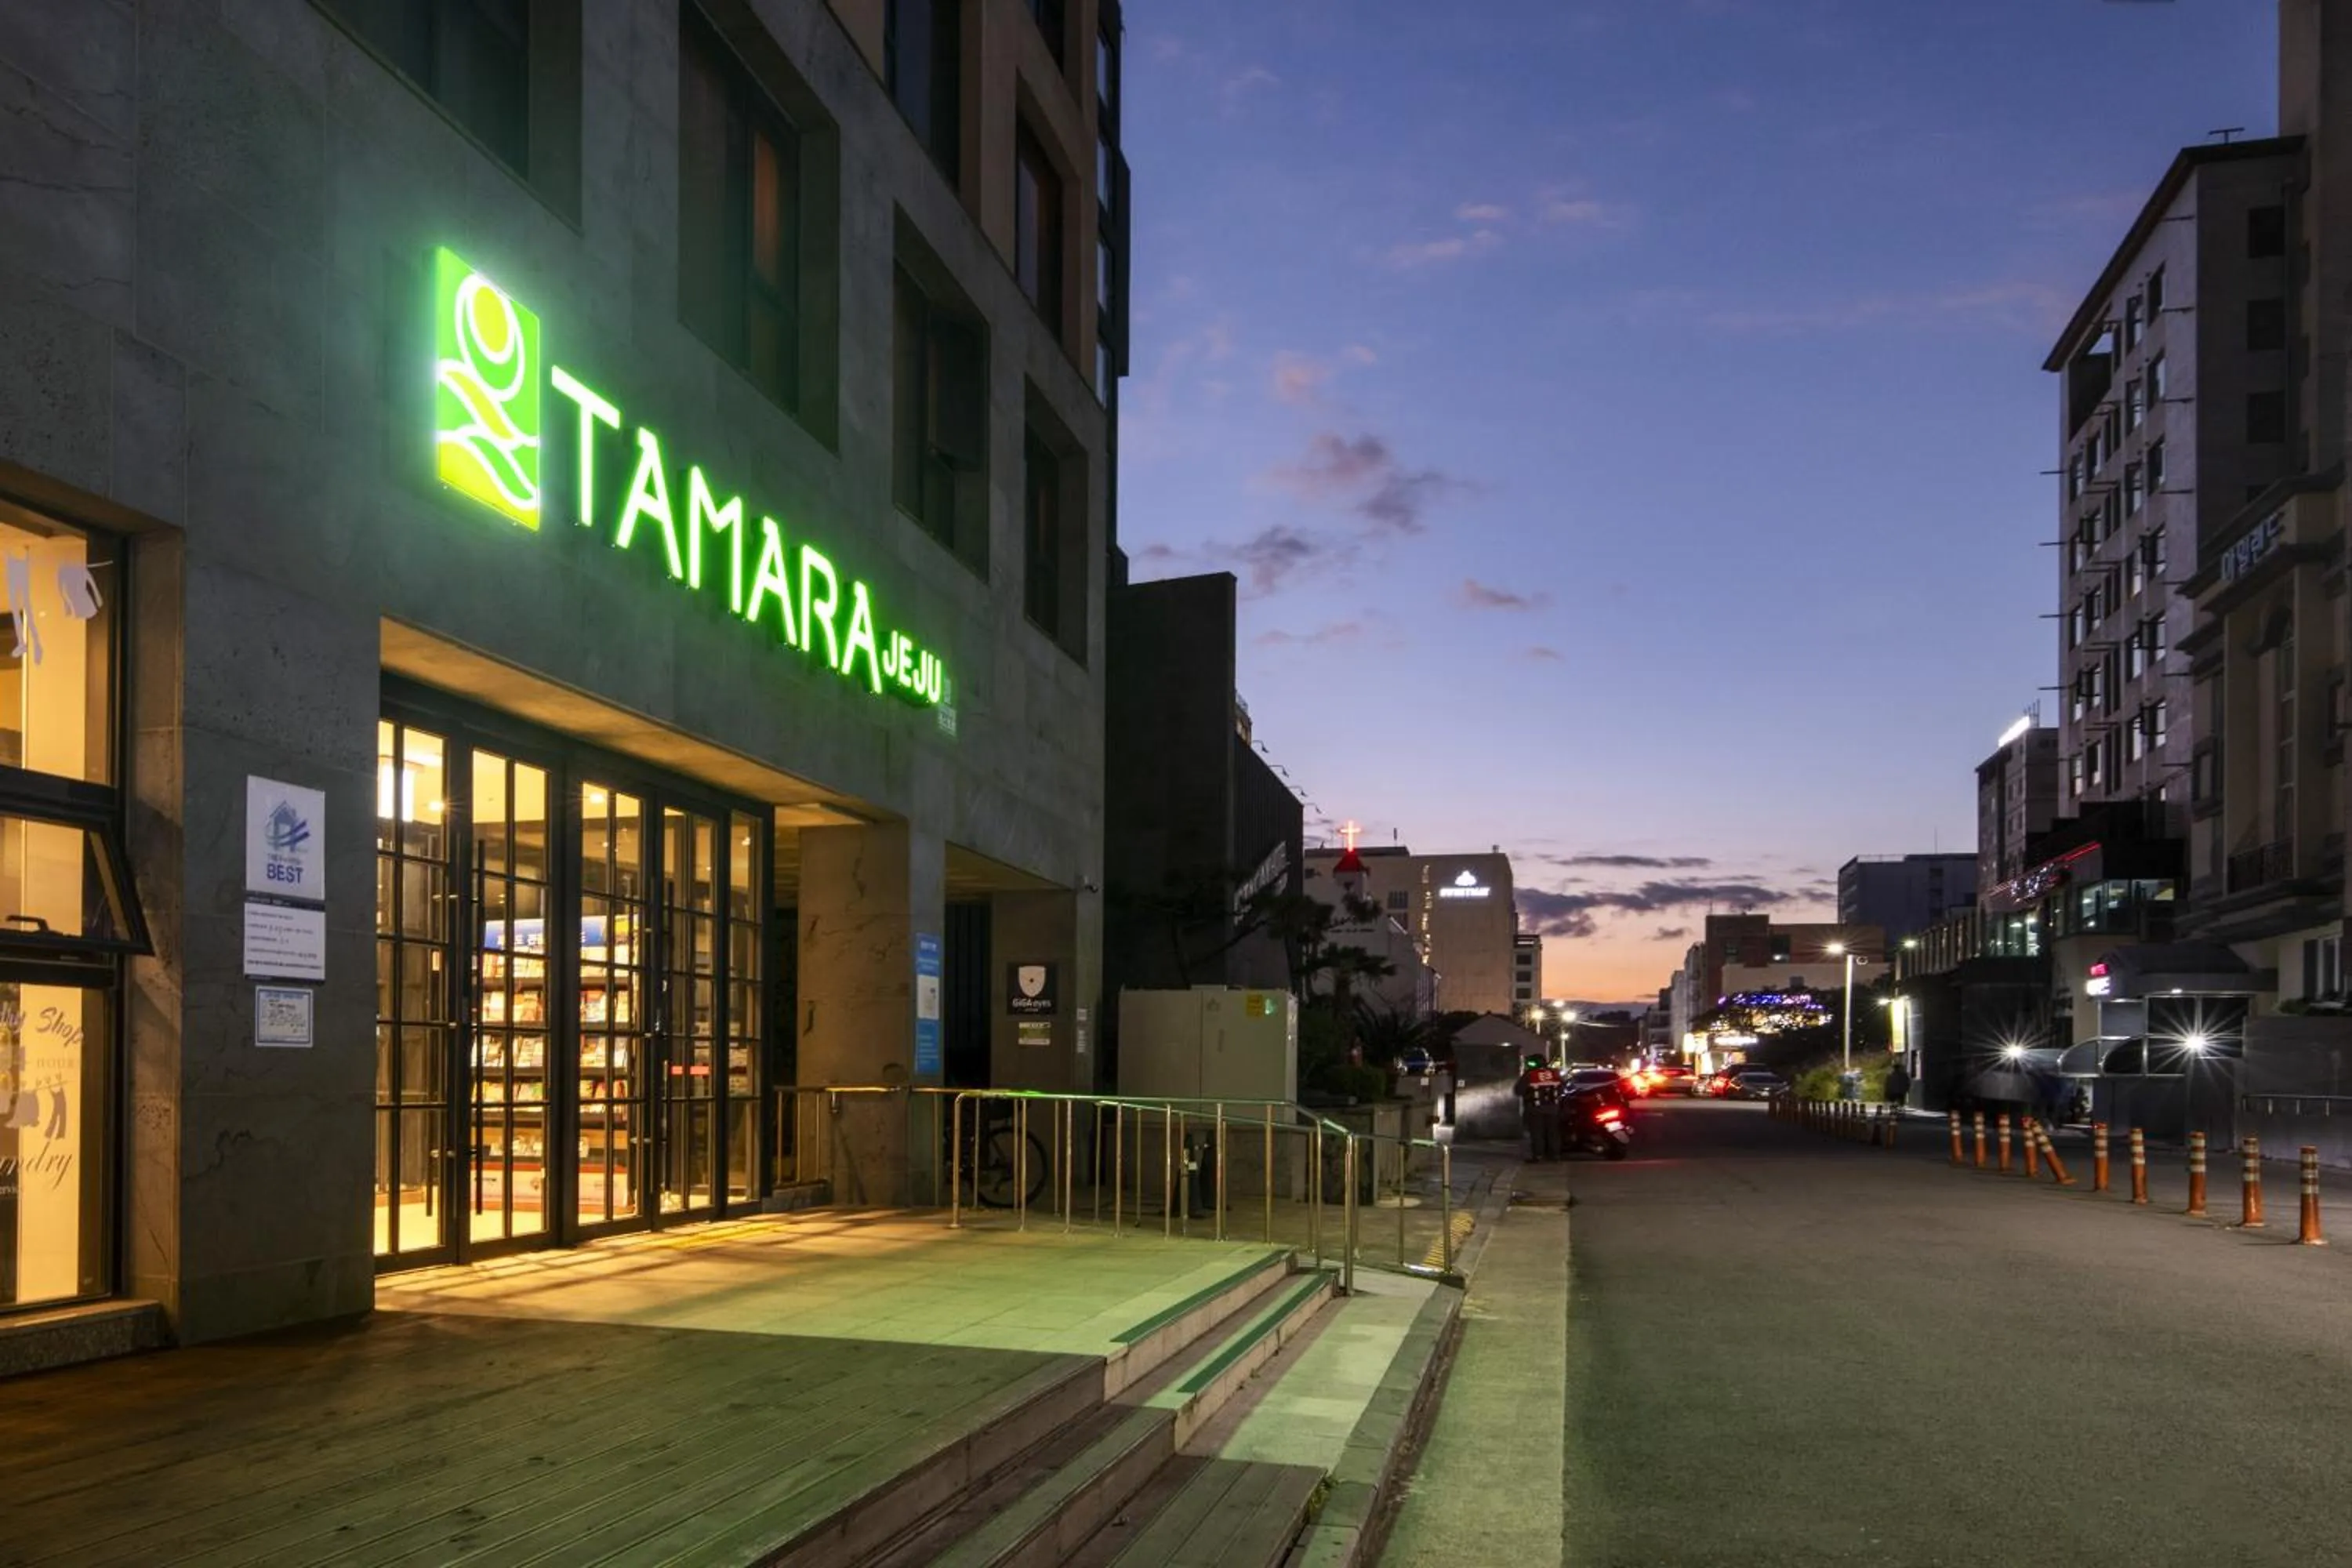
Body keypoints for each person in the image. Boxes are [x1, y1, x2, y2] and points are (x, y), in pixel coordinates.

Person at [1515, 1053, 1563, 1161]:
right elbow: (1562, 1088)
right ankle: (1555, 1155)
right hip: (1553, 1109)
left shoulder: (1530, 1075)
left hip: (1535, 1109)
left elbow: (1518, 1090)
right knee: (1553, 1132)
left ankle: (1539, 1155)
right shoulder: (1554, 1073)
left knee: (1537, 1133)